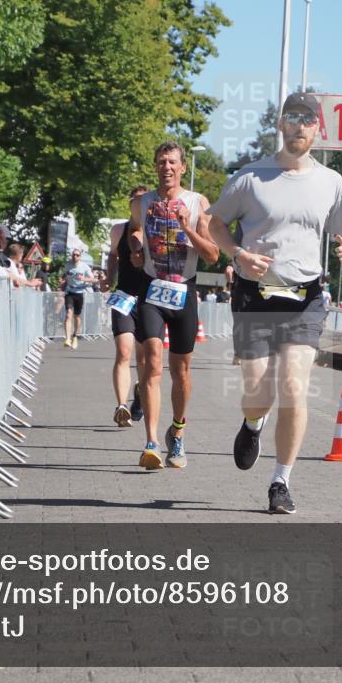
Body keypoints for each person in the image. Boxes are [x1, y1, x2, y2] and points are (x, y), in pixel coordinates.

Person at [207, 91, 342, 514]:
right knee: (259, 391)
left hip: (305, 298)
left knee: (294, 387)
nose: (299, 126)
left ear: (318, 129)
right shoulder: (250, 178)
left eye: (307, 119)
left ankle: (281, 481)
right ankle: (253, 423)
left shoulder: (331, 183)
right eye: (292, 117)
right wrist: (238, 254)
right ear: (281, 123)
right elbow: (214, 223)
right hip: (254, 296)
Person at [129, 142, 219, 470]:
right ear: (155, 166)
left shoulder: (198, 204)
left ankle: (177, 431)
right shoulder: (143, 202)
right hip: (153, 289)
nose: (166, 167)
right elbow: (135, 231)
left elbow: (212, 254)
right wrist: (136, 247)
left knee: (181, 372)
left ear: (182, 168)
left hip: (184, 291)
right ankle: (151, 442)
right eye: (161, 161)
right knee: (152, 363)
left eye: (172, 162)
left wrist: (186, 227)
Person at [103, 186, 148, 428]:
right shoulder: (118, 229)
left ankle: (139, 393)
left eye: (144, 200)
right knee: (123, 352)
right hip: (123, 296)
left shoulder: (154, 230)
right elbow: (112, 255)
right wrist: (109, 277)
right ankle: (121, 406)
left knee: (143, 360)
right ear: (130, 204)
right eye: (136, 200)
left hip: (148, 300)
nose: (140, 204)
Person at [62, 249, 95, 349]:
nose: (75, 256)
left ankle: (75, 336)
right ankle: (67, 338)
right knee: (68, 315)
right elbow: (65, 275)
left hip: (79, 293)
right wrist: (63, 280)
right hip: (69, 292)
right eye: (73, 255)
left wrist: (84, 279)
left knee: (77, 316)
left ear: (80, 257)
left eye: (77, 255)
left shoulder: (84, 266)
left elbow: (92, 278)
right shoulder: (68, 265)